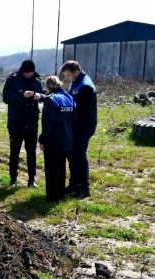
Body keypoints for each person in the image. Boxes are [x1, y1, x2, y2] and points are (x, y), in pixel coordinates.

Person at [2, 60, 46, 187]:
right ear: (22, 71)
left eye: (31, 72)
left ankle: (32, 179)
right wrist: (22, 95)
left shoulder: (37, 80)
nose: (29, 75)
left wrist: (39, 96)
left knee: (31, 152)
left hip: (32, 122)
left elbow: (45, 94)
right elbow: (6, 97)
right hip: (16, 122)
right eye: (27, 73)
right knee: (14, 151)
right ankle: (13, 180)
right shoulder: (13, 80)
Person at [60, 60, 97, 199]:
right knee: (72, 155)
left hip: (83, 127)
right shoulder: (77, 82)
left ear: (76, 72)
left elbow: (83, 111)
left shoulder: (85, 86)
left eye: (68, 75)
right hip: (75, 127)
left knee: (79, 156)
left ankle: (84, 188)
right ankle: (74, 184)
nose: (67, 78)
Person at [39, 76, 75, 202]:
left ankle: (51, 196)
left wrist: (42, 139)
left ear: (48, 87)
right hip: (67, 139)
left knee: (51, 168)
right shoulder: (70, 98)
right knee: (61, 167)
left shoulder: (50, 100)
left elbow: (47, 123)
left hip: (53, 140)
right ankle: (60, 194)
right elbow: (73, 121)